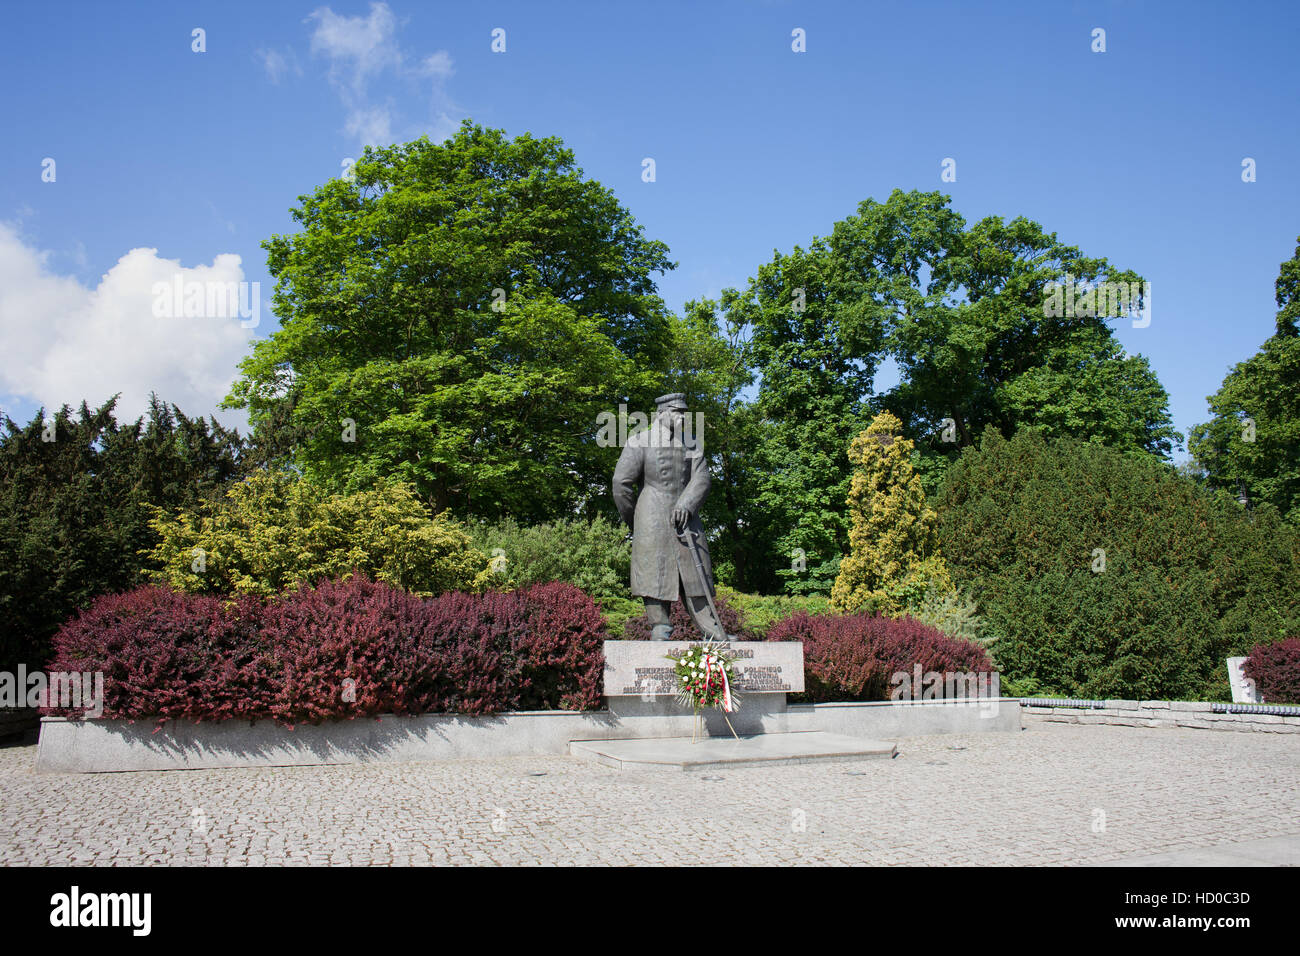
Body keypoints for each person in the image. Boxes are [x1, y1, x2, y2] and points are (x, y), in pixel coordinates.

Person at [612, 393, 725, 642]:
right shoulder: (639, 441)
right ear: (661, 414)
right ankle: (659, 627)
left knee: (696, 573)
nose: (682, 417)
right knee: (654, 572)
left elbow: (702, 477)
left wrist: (687, 503)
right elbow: (621, 484)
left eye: (684, 412)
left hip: (687, 519)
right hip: (652, 516)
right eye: (677, 412)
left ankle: (712, 628)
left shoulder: (692, 443)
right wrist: (637, 520)